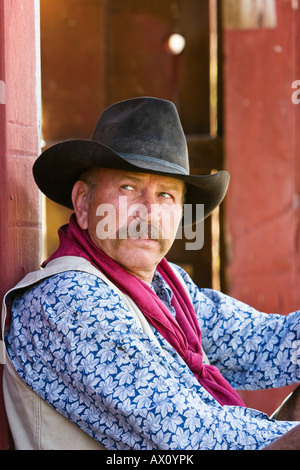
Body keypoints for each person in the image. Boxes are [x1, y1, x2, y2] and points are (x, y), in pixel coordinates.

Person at [1, 97, 300, 450]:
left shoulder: (163, 286)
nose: (149, 212)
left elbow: (262, 343)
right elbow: (190, 435)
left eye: (166, 195)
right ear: (84, 203)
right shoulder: (68, 300)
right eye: (128, 187)